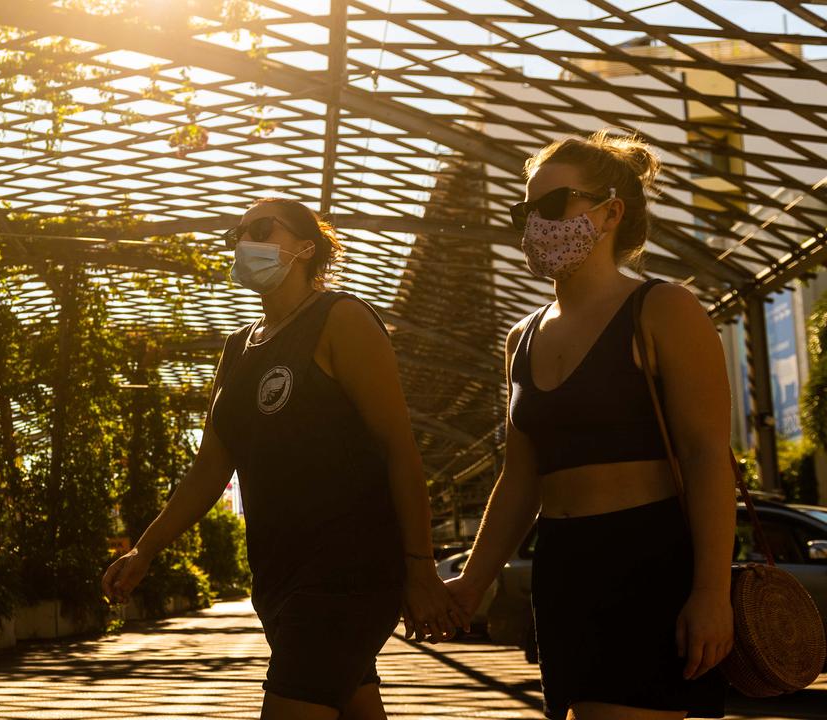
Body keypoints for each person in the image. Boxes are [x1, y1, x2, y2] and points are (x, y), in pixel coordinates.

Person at [102, 197, 466, 720]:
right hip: (278, 578)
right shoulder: (237, 349)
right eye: (238, 233)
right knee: (356, 706)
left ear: (305, 246)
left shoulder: (340, 319)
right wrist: (146, 549)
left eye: (261, 228)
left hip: (346, 571)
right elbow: (210, 468)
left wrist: (420, 567)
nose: (244, 241)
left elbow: (398, 449)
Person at [445, 129, 735, 720]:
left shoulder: (662, 309)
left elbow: (708, 456)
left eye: (554, 205)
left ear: (610, 213)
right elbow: (520, 478)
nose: (535, 223)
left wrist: (710, 592)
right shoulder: (521, 338)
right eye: (526, 210)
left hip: (646, 559)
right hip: (562, 566)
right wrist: (471, 583)